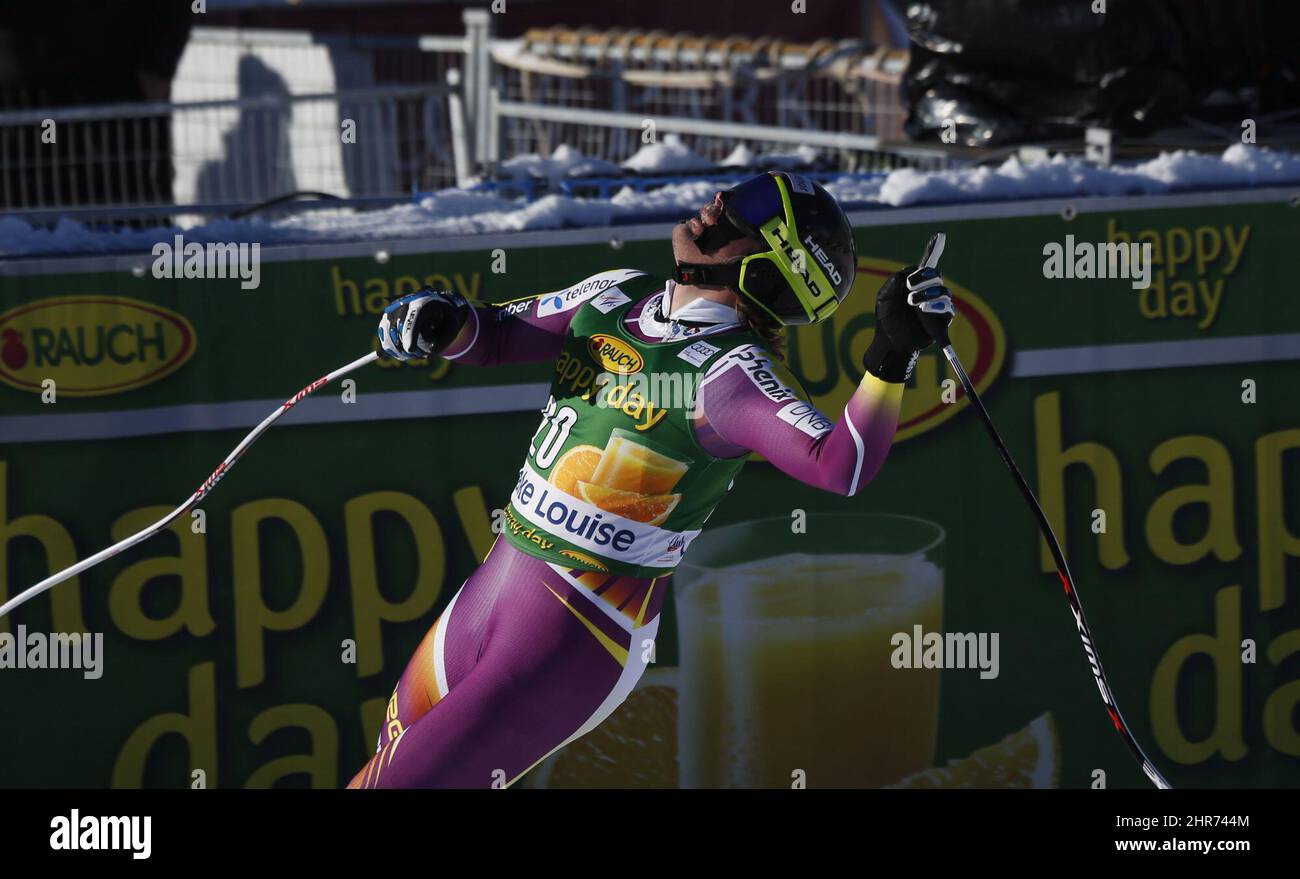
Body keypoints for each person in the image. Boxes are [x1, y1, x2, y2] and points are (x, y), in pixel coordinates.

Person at [348, 171, 954, 789]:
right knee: (383, 768)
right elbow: (495, 335)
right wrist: (439, 322)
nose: (718, 202)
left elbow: (840, 465)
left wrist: (890, 356)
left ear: (772, 264)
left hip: (575, 634)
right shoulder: (615, 295)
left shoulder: (731, 373)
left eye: (745, 209)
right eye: (737, 191)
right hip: (493, 590)